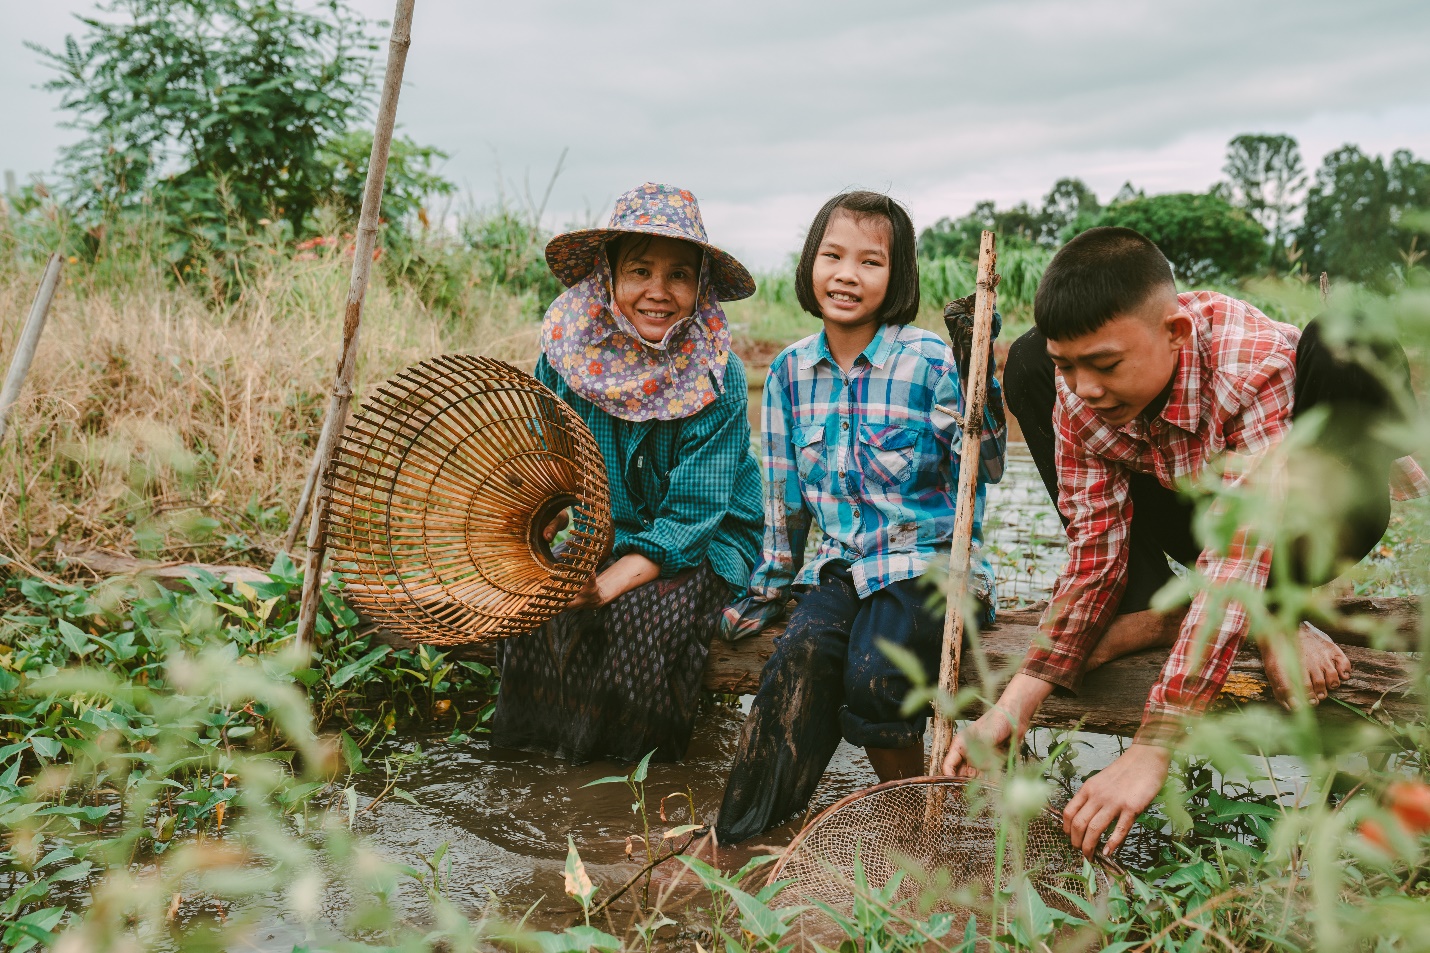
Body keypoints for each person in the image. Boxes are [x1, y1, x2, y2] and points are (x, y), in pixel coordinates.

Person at [941, 225, 1428, 858]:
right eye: (1073, 366)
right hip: (1201, 510)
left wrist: (1151, 749)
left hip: (1316, 514)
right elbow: (1096, 556)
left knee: (1346, 336)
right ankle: (1175, 616)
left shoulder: (1250, 369)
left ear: (1174, 333)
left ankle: (1261, 613)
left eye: (1106, 364)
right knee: (1027, 358)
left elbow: (1238, 558)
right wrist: (1013, 704)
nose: (1084, 388)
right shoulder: (1077, 389)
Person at [714, 191, 1007, 844]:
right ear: (810, 265)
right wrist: (766, 591)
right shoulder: (790, 371)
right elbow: (784, 500)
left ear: (895, 276)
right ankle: (743, 832)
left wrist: (980, 374)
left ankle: (908, 820)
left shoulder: (929, 358)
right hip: (843, 567)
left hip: (930, 565)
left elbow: (983, 472)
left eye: (870, 261)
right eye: (833, 255)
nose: (847, 274)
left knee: (876, 670)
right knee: (800, 656)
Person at [491, 183, 764, 764]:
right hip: (601, 531)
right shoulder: (566, 357)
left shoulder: (717, 377)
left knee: (640, 618)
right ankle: (537, 767)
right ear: (608, 276)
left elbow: (692, 519)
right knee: (535, 616)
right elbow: (546, 468)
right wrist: (545, 548)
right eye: (639, 270)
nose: (658, 293)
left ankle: (629, 787)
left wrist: (606, 585)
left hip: (705, 542)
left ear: (700, 288)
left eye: (679, 276)